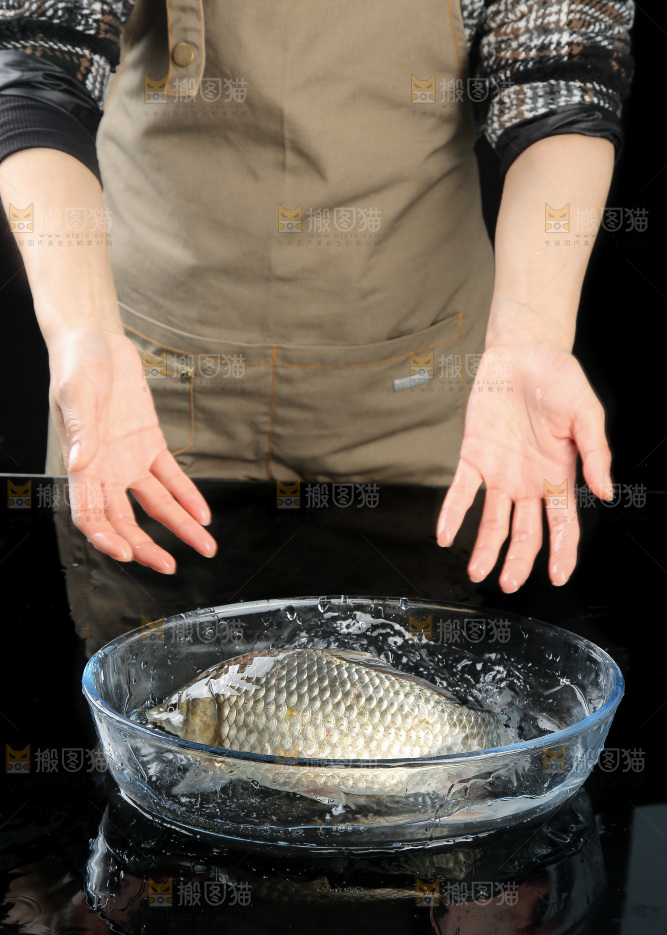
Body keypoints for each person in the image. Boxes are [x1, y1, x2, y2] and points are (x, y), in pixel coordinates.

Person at [0, 0, 634, 593]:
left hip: (420, 395)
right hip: (145, 396)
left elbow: (560, 76)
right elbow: (34, 63)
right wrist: (83, 331)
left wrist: (532, 336)